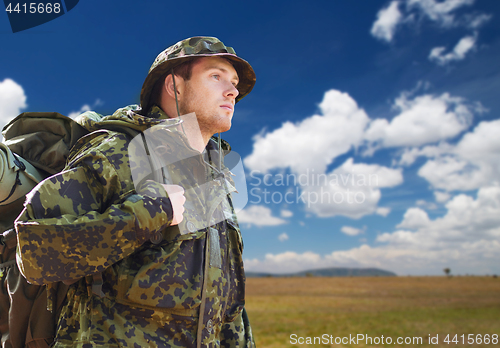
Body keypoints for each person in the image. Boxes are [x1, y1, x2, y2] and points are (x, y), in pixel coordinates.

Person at [15, 36, 256, 348]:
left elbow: (224, 299)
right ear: (174, 86)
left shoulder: (214, 177)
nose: (232, 91)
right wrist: (147, 214)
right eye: (216, 77)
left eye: (235, 83)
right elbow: (36, 255)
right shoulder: (117, 154)